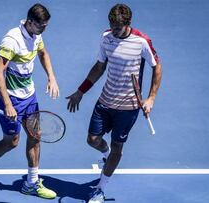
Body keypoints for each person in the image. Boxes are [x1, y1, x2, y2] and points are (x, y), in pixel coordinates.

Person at [66, 4, 162, 203]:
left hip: (128, 108)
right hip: (105, 101)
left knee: (118, 147)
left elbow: (157, 67)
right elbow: (100, 66)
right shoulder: (106, 37)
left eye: (118, 27)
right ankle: (106, 154)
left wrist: (151, 98)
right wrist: (80, 91)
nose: (114, 31)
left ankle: (100, 188)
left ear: (128, 24)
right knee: (92, 139)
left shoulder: (142, 41)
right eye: (111, 25)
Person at [0, 3, 59, 199]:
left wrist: (51, 77)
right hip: (11, 98)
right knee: (12, 142)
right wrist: (7, 104)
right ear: (30, 22)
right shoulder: (12, 40)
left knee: (35, 135)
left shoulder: (36, 33)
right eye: (42, 26)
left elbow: (43, 53)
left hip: (29, 96)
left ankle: (32, 183)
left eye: (46, 26)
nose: (44, 29)